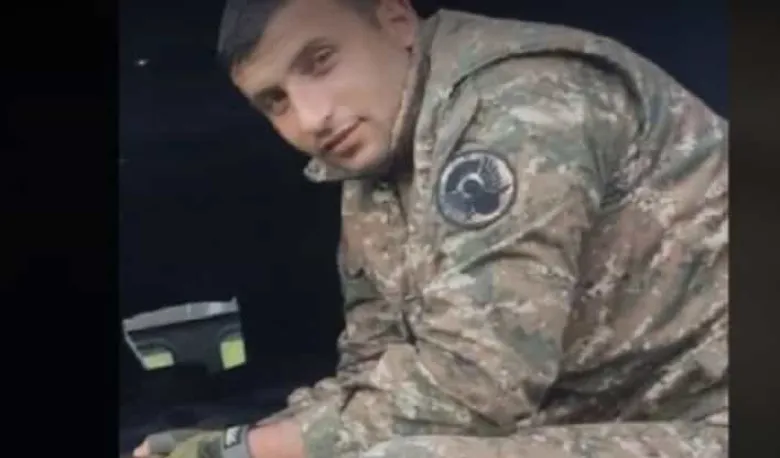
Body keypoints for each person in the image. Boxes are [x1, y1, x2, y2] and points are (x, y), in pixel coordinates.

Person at [132, 0, 728, 457]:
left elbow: (476, 383)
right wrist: (231, 441)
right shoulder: (375, 162)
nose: (312, 118)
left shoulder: (517, 102)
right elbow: (373, 363)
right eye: (275, 101)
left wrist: (247, 451)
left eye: (320, 61)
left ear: (395, 21)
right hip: (609, 418)